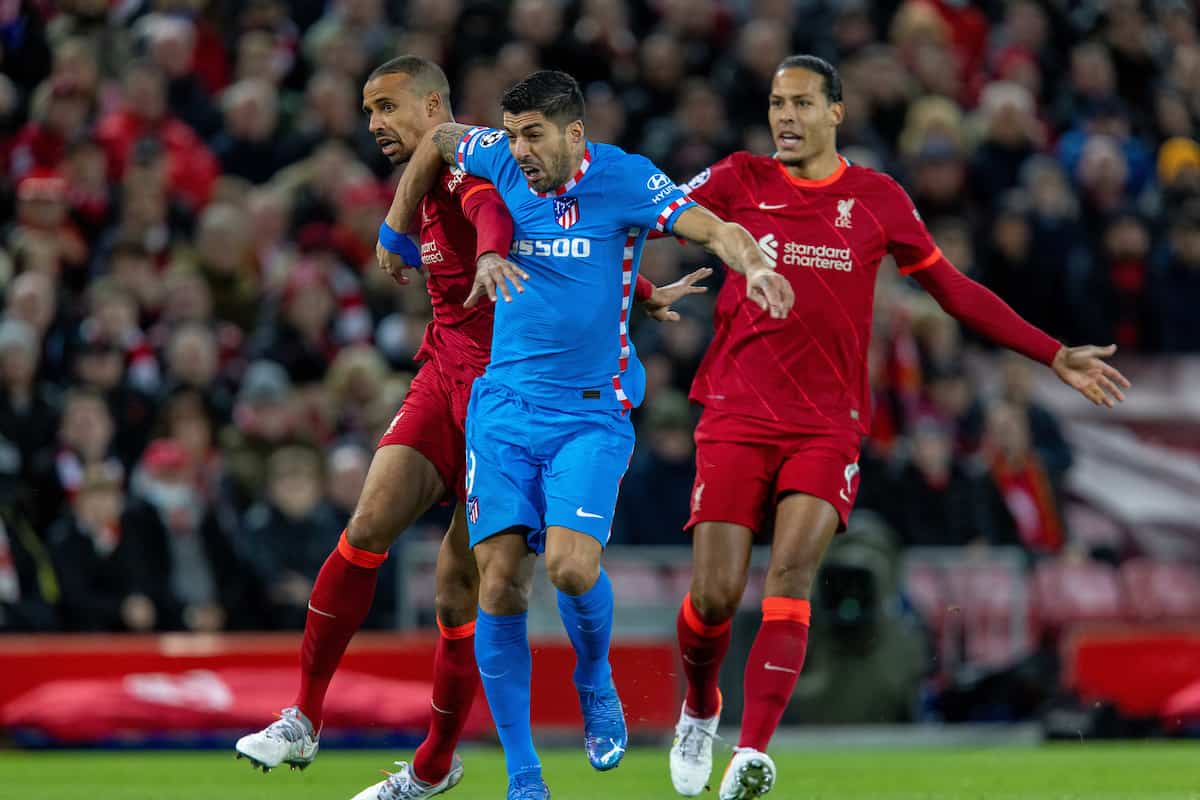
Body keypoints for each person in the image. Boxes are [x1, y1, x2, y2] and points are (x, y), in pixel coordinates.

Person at [235, 57, 706, 800]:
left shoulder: (490, 165)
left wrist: (501, 255)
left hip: (513, 395)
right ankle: (304, 715)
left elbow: (501, 216)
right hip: (445, 373)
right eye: (368, 111)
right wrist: (397, 225)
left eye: (387, 108)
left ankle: (433, 765)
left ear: (431, 105)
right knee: (365, 528)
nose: (375, 125)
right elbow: (542, 229)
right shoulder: (439, 161)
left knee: (468, 593)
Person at [666, 55, 1130, 800]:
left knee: (790, 575)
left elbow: (953, 289)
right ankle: (700, 705)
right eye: (777, 103)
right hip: (736, 413)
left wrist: (1052, 353)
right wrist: (641, 293)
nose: (785, 117)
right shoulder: (737, 179)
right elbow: (650, 214)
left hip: (828, 425)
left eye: (802, 104)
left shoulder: (876, 199)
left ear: (836, 113)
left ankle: (751, 754)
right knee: (716, 595)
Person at [378, 70, 793, 800]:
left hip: (589, 414)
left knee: (570, 567)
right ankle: (523, 775)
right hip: (502, 410)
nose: (518, 150)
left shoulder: (627, 180)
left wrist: (753, 260)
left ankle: (594, 678)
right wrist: (395, 225)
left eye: (532, 134)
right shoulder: (497, 156)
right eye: (510, 135)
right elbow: (441, 139)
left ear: (574, 133)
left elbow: (711, 225)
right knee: (499, 583)